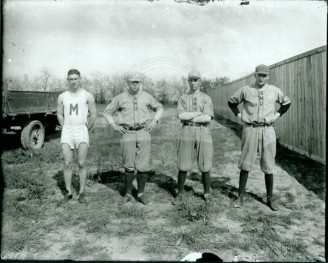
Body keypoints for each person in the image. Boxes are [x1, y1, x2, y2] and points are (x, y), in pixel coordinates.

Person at [228, 64, 291, 211]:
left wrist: (276, 115)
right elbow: (231, 102)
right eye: (259, 75)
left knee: (269, 165)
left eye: (264, 75)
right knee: (245, 163)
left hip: (267, 130)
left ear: (267, 76)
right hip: (250, 129)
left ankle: (270, 199)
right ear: (254, 75)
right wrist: (240, 115)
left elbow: (286, 103)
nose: (261, 78)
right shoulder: (245, 90)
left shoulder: (274, 90)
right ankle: (240, 196)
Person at [103, 72, 163, 206]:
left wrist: (154, 120)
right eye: (132, 82)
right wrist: (114, 125)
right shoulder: (120, 97)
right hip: (127, 133)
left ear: (140, 83)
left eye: (137, 82)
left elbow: (159, 108)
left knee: (142, 165)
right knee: (128, 164)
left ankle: (141, 193)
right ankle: (128, 193)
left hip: (144, 131)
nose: (135, 85)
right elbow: (106, 112)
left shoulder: (147, 96)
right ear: (128, 83)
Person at [172, 70, 214, 206]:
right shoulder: (183, 97)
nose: (193, 82)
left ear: (200, 81)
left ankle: (207, 193)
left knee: (205, 162)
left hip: (203, 130)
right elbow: (181, 116)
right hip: (187, 130)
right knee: (183, 162)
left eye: (196, 80)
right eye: (191, 80)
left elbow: (207, 117)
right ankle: (179, 193)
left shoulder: (206, 98)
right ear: (188, 81)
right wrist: (197, 113)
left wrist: (190, 115)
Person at [57, 69, 97, 204]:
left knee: (81, 163)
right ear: (67, 80)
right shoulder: (63, 96)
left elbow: (94, 113)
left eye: (76, 78)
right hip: (67, 130)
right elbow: (59, 114)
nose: (73, 81)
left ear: (80, 79)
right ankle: (68, 192)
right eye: (71, 79)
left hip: (81, 129)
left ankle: (81, 192)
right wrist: (64, 127)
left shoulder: (87, 95)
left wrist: (87, 128)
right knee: (67, 163)